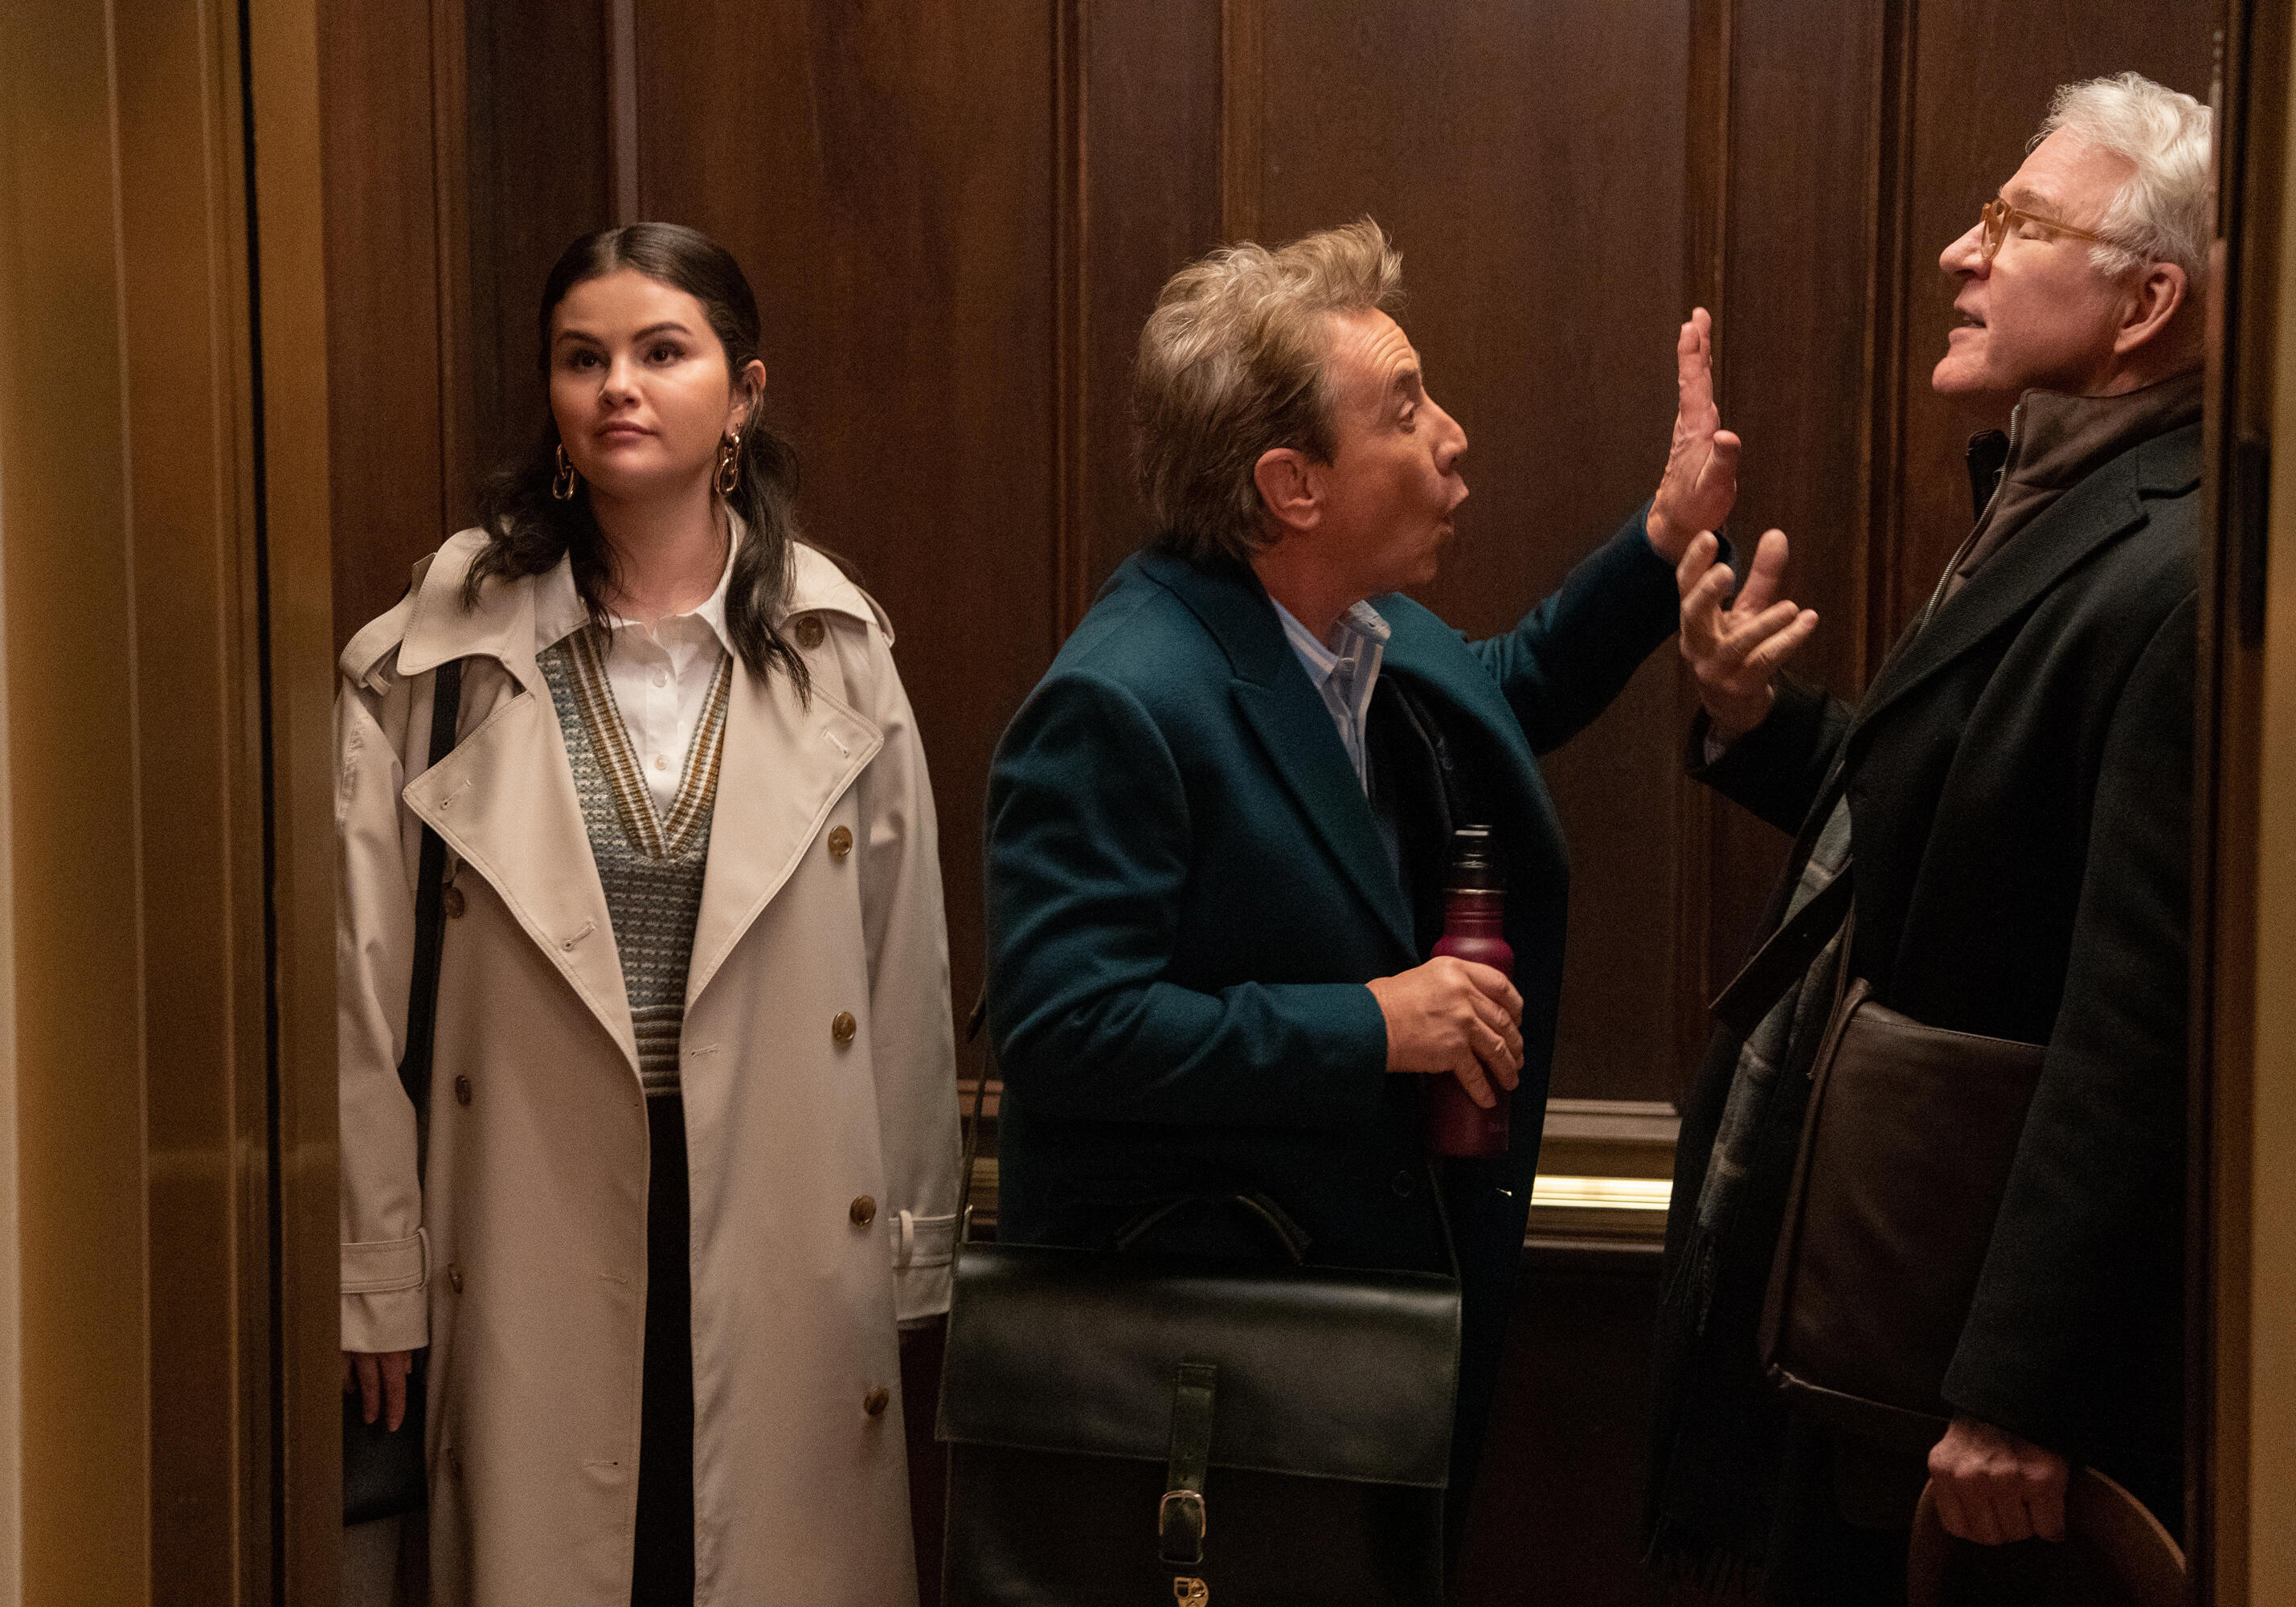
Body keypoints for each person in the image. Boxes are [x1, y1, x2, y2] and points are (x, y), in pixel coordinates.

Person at [982, 218, 1741, 1561]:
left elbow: (1500, 698)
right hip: (1217, 1373)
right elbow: (1067, 1032)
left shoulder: (1345, 625)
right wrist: (1377, 1023)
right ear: (1293, 485)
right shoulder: (1123, 696)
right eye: (1406, 409)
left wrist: (1661, 538)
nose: (1452, 435)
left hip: (1353, 1328)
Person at [336, 223, 960, 1606]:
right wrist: (373, 1268)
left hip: (784, 1220)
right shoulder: (430, 662)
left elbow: (902, 966)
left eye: (660, 352)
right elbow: (357, 991)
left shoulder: (838, 648)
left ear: (741, 394)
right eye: (583, 358)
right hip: (528, 1215)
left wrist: (913, 1261)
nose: (618, 384)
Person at [1647, 73, 2208, 1603]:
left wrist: (2021, 1385)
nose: (1962, 257)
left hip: (1971, 1379)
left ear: (2147, 300)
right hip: (1880, 1327)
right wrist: (1762, 724)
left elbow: (2134, 1022)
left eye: (2012, 223)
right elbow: (1954, 842)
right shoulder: (2052, 487)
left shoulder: (2177, 565)